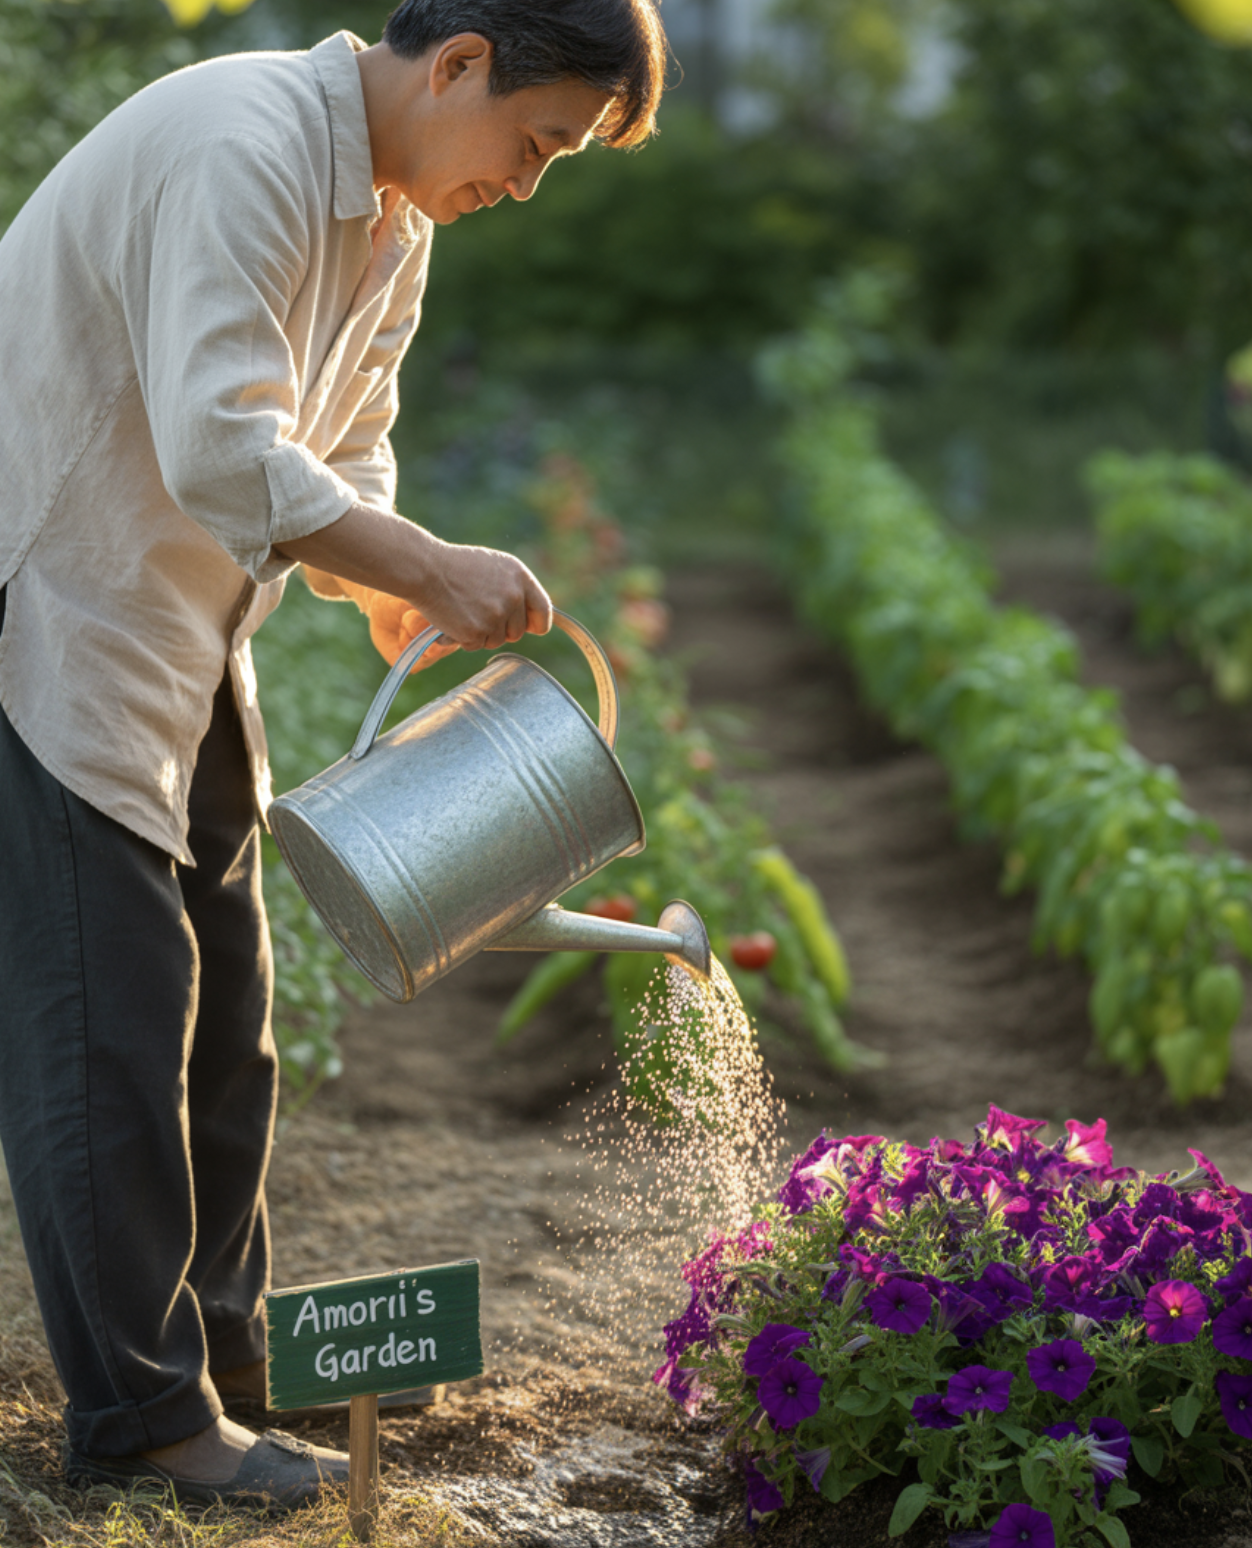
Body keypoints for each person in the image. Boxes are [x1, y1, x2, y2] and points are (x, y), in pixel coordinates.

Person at [0, 0, 666, 1511]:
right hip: (47, 595)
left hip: (173, 626)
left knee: (226, 1016)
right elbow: (223, 447)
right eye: (537, 142)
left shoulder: (393, 217)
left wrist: (390, 594)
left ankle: (225, 1363)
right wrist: (430, 564)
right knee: (108, 1028)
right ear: (458, 65)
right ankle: (144, 1425)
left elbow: (343, 446)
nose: (530, 180)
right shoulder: (244, 144)